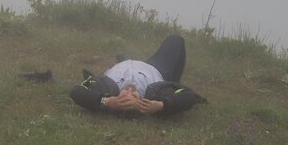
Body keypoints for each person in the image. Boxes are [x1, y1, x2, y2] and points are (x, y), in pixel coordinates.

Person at [69, 34, 205, 116]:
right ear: (141, 101)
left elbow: (76, 92)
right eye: (133, 95)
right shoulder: (154, 94)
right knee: (176, 40)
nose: (129, 89)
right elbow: (189, 95)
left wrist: (107, 102)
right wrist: (162, 105)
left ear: (117, 98)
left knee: (126, 61)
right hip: (155, 68)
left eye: (124, 96)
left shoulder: (108, 90)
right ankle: (173, 81)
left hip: (128, 65)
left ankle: (125, 59)